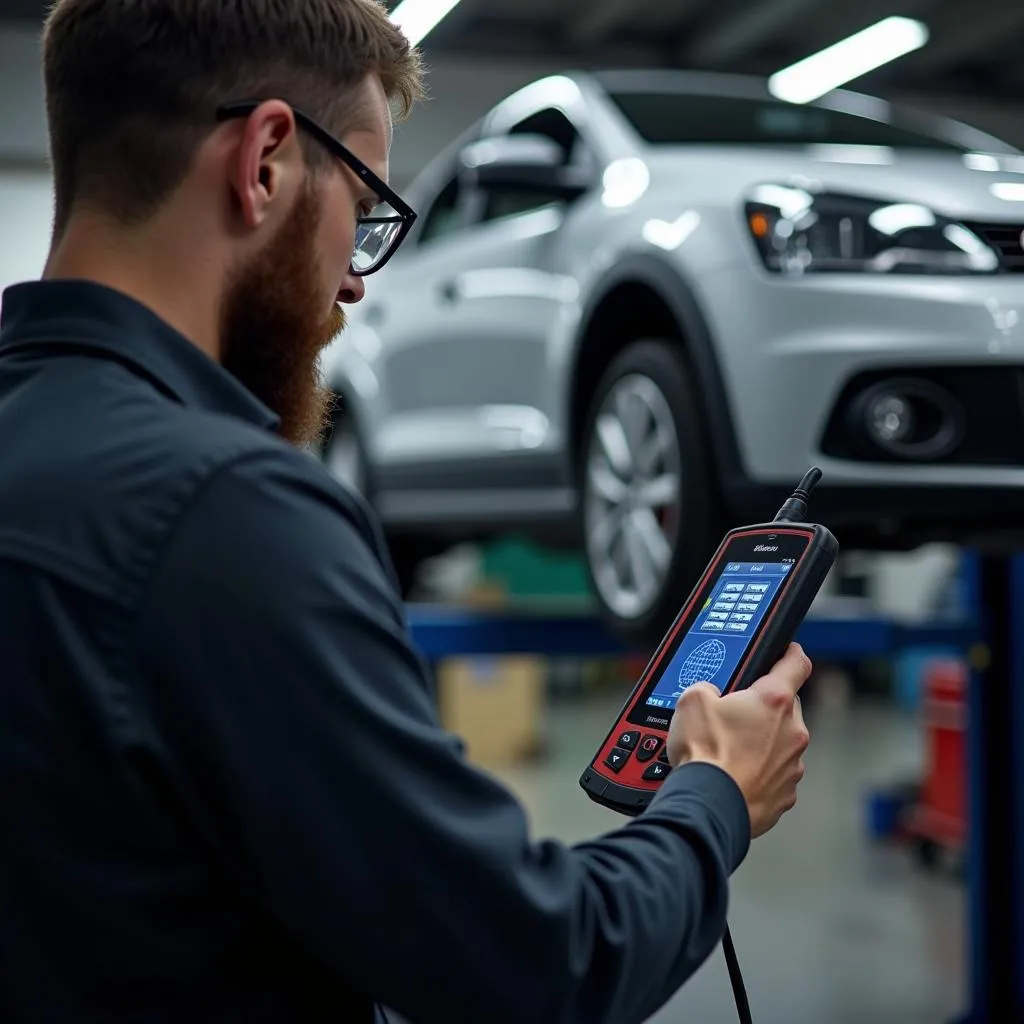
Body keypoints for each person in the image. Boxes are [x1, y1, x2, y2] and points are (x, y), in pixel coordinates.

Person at [0, 1, 812, 1022]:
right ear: (265, 161)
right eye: (367, 211)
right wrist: (716, 797)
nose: (353, 281)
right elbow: (536, 964)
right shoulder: (228, 511)